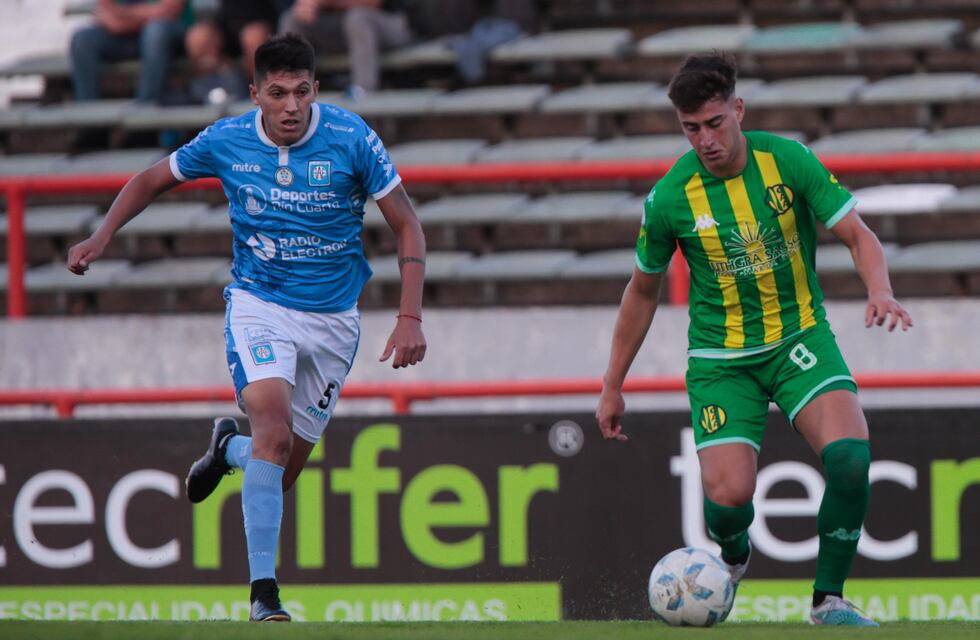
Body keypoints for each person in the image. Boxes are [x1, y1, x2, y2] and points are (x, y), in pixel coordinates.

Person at [67, 33, 427, 622]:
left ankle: (226, 450)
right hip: (260, 305)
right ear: (255, 93)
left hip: (334, 321)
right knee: (275, 436)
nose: (291, 106)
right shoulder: (227, 140)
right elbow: (151, 179)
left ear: (316, 91)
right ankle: (265, 597)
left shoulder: (351, 137)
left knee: (276, 472)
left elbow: (407, 225)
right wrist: (100, 237)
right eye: (278, 93)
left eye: (302, 92)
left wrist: (409, 315)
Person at [595, 52, 912, 627]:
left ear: (737, 110)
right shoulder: (671, 197)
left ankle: (828, 600)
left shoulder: (786, 161)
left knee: (849, 457)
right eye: (692, 129)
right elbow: (641, 293)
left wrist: (880, 290)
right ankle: (734, 553)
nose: (706, 140)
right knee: (730, 499)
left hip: (798, 339)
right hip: (722, 362)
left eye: (715, 123)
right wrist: (612, 385)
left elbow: (858, 235)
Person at [279, 0, 415, 97]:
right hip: (340, 28)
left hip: (391, 24)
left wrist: (325, 2)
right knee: (292, 18)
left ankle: (363, 94)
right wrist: (305, 8)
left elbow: (373, 2)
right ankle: (291, 90)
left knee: (358, 18)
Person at [70, 0, 192, 103]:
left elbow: (169, 11)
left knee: (155, 33)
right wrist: (141, 16)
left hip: (168, 34)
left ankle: (145, 112)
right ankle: (91, 119)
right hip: (123, 35)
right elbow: (105, 14)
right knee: (82, 39)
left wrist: (123, 14)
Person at [184, 0, 289, 103]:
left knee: (252, 37)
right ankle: (208, 95)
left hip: (264, 20)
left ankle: (261, 98)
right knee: (198, 37)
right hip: (225, 22)